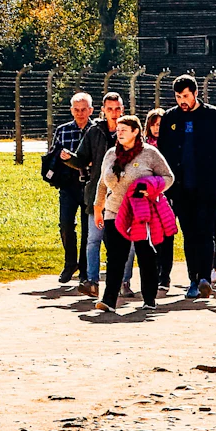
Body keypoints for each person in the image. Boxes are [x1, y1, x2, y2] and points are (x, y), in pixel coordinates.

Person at [156, 74, 216, 299]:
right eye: (178, 96)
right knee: (189, 233)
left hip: (207, 186)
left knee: (206, 230)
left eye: (186, 96)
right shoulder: (170, 118)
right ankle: (193, 279)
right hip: (180, 188)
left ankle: (205, 278)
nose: (182, 101)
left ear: (196, 93)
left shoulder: (213, 116)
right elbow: (162, 150)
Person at [94, 115, 175, 313]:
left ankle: (149, 299)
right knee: (115, 256)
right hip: (115, 210)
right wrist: (98, 208)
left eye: (124, 129)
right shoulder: (111, 154)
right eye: (118, 130)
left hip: (141, 212)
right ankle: (109, 300)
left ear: (136, 131)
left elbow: (168, 177)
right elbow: (102, 182)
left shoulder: (150, 153)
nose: (119, 133)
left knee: (145, 255)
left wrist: (152, 188)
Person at [65, 90, 122, 296]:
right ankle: (92, 281)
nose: (113, 113)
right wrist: (69, 158)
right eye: (110, 109)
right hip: (97, 193)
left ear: (122, 110)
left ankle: (123, 282)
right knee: (93, 239)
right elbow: (82, 158)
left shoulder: (128, 130)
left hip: (121, 195)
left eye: (117, 109)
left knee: (120, 243)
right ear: (103, 110)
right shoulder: (94, 131)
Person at [120, 108, 175, 296]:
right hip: (141, 201)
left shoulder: (169, 144)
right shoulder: (141, 147)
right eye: (154, 124)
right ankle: (136, 280)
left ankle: (164, 276)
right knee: (143, 238)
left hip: (165, 196)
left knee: (166, 236)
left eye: (160, 124)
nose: (157, 128)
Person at [52, 92, 92, 284]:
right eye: (76, 109)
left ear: (90, 110)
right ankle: (70, 263)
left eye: (83, 109)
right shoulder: (63, 130)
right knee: (65, 224)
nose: (80, 113)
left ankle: (85, 268)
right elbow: (52, 154)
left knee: (87, 228)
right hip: (68, 184)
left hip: (89, 184)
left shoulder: (96, 129)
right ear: (71, 110)